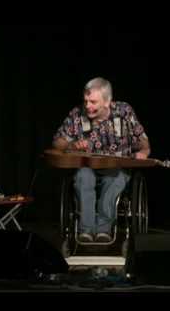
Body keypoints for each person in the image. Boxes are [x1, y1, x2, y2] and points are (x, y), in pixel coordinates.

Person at [52, 77, 150, 243]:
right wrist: (74, 145)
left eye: (93, 102)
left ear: (107, 101)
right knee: (84, 177)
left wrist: (144, 151)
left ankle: (104, 230)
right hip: (87, 167)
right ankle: (86, 231)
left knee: (115, 179)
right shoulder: (77, 115)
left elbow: (143, 140)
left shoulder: (124, 111)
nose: (88, 106)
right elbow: (57, 142)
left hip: (116, 168)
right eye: (86, 101)